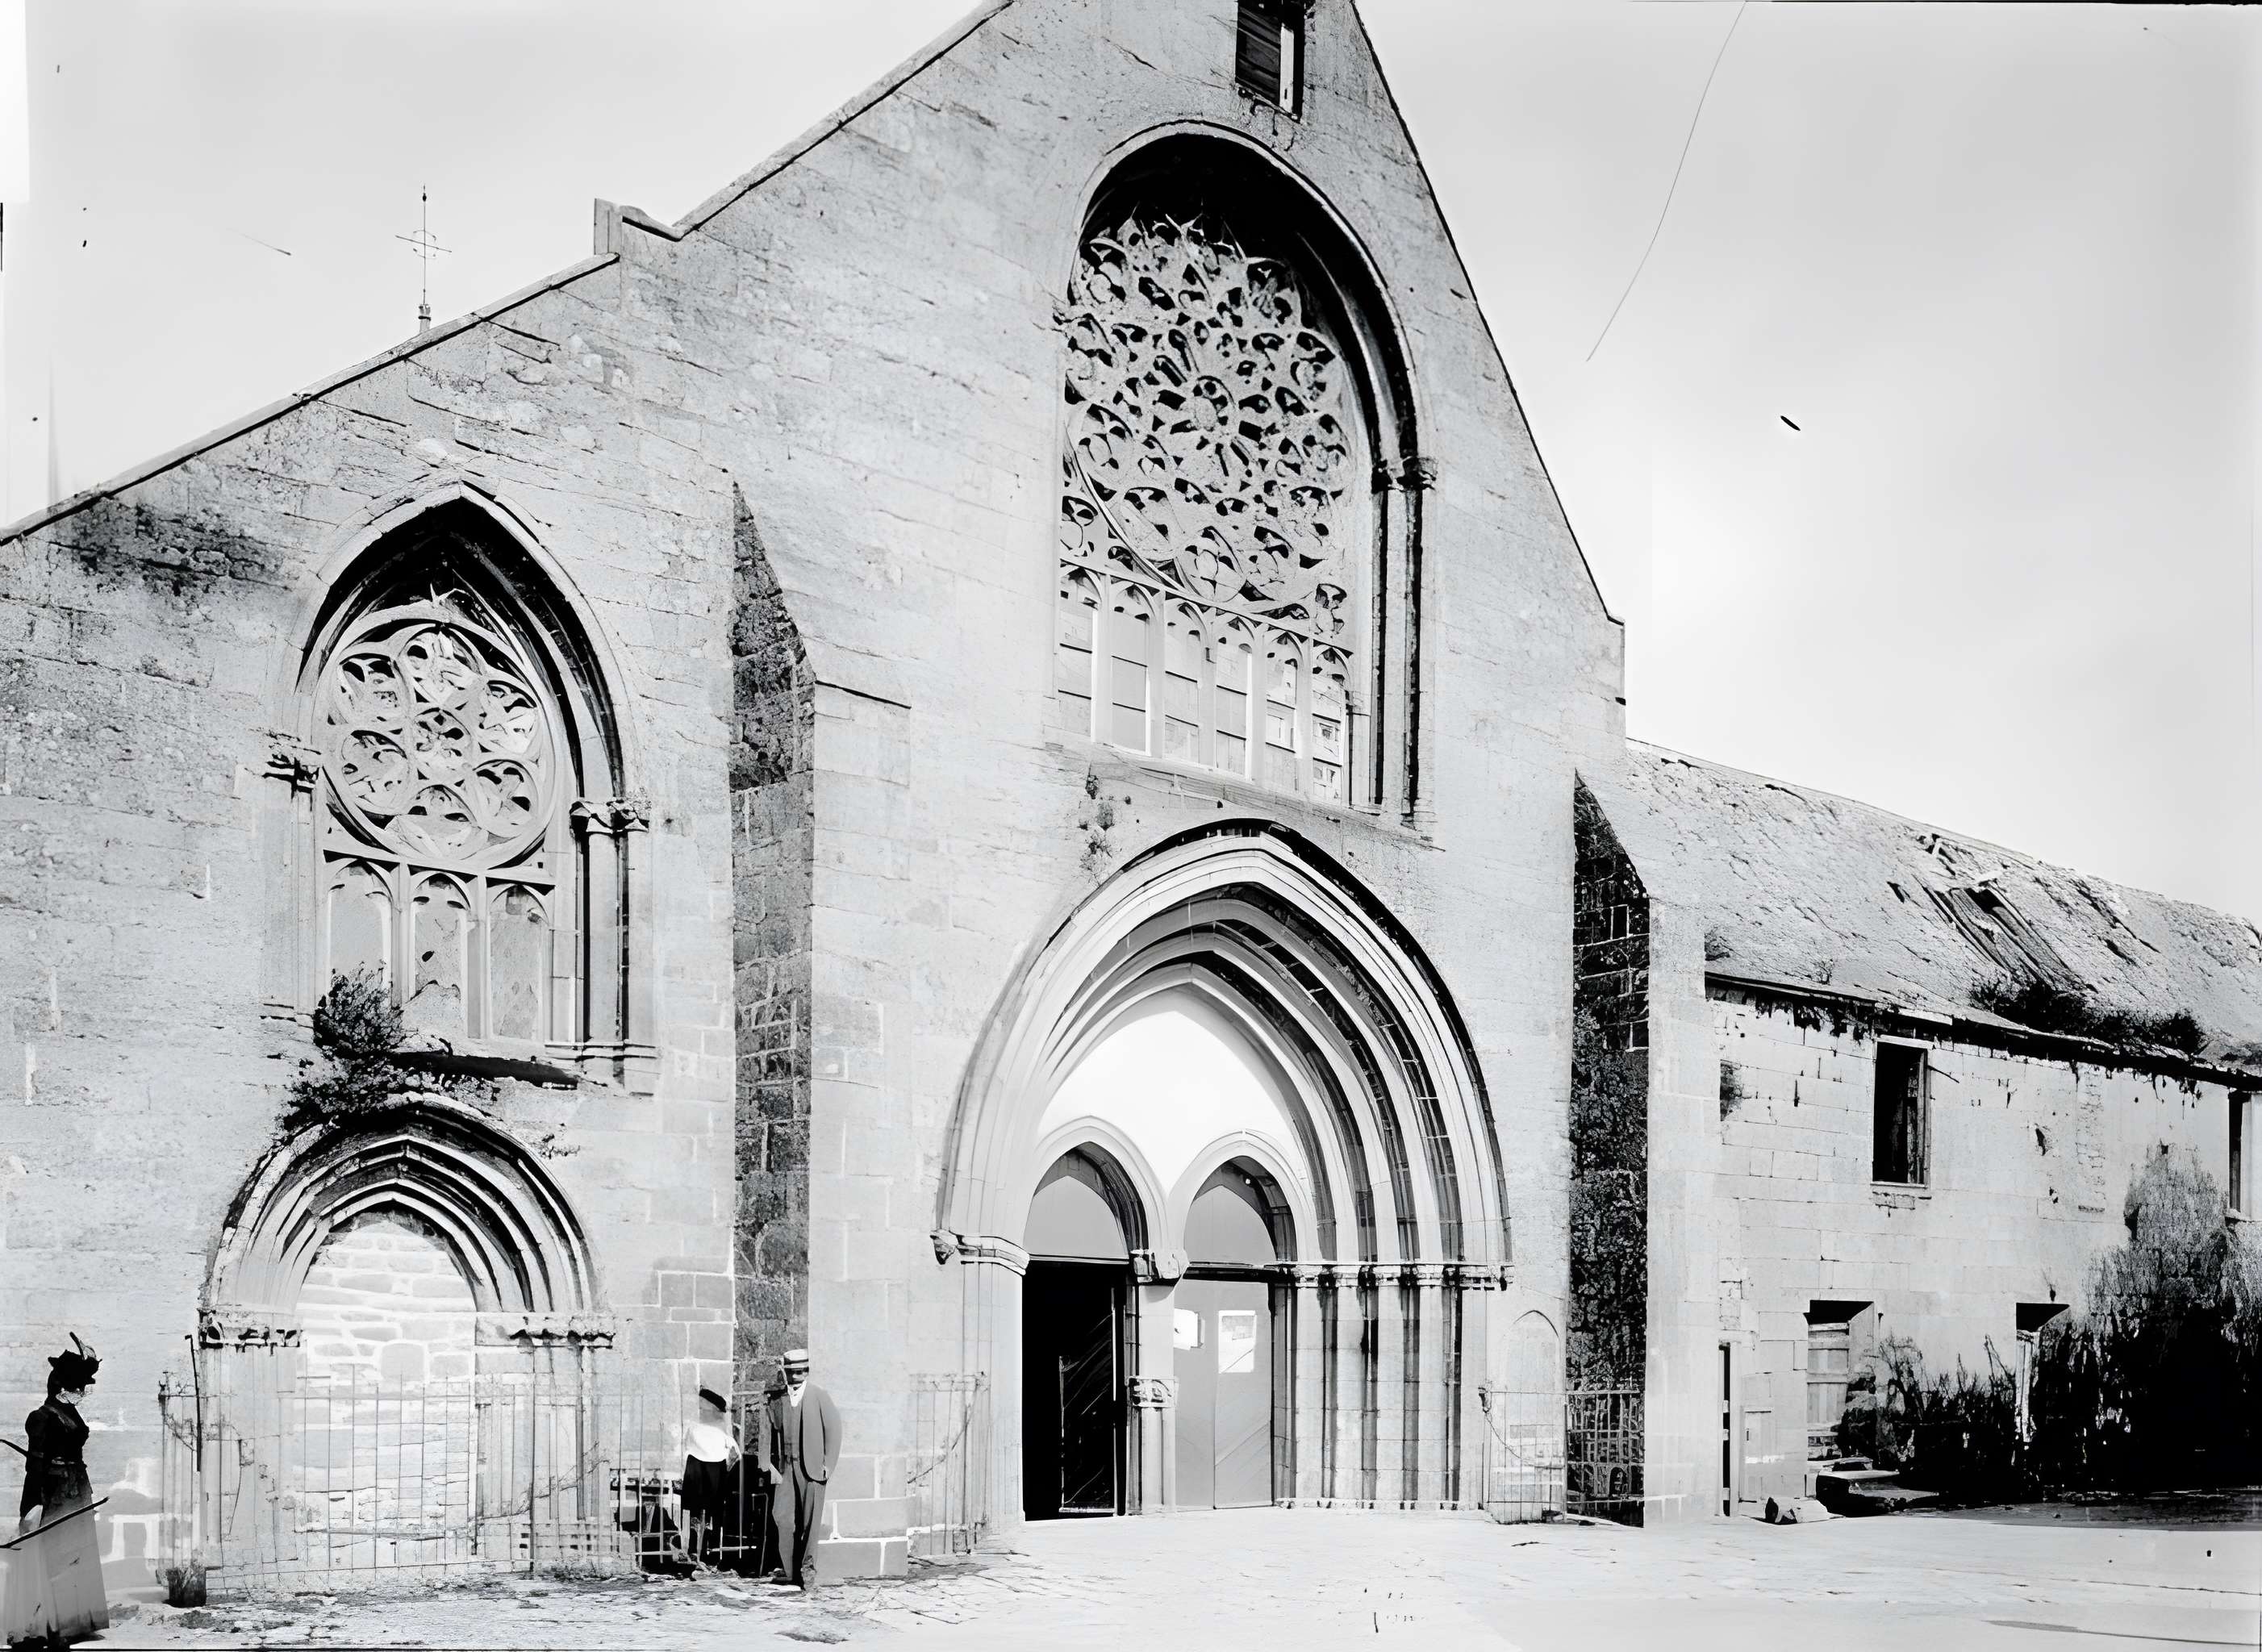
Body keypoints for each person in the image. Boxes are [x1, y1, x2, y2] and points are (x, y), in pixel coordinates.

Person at [2, 1336, 110, 1648]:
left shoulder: (71, 1414)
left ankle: (72, 1623)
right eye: (78, 1385)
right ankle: (48, 1627)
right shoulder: (41, 1418)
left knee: (76, 1555)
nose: (83, 1391)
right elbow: (34, 1466)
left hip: (76, 1490)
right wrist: (30, 1507)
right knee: (55, 1558)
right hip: (55, 1493)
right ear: (62, 1385)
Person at [762, 1350, 839, 1591]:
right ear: (785, 1373)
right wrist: (766, 1464)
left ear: (806, 1371)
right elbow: (766, 1432)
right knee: (782, 1517)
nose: (795, 1377)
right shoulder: (777, 1400)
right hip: (785, 1468)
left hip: (812, 1470)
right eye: (791, 1372)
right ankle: (789, 1570)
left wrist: (829, 1465)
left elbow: (834, 1430)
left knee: (810, 1523)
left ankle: (808, 1570)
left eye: (800, 1372)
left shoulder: (819, 1396)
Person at [678, 1387, 740, 1568]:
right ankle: (701, 1552)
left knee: (707, 1513)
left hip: (707, 1469)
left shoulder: (716, 1427)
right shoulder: (698, 1425)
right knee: (704, 1513)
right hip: (702, 1469)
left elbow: (735, 1452)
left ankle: (705, 1551)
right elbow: (736, 1453)